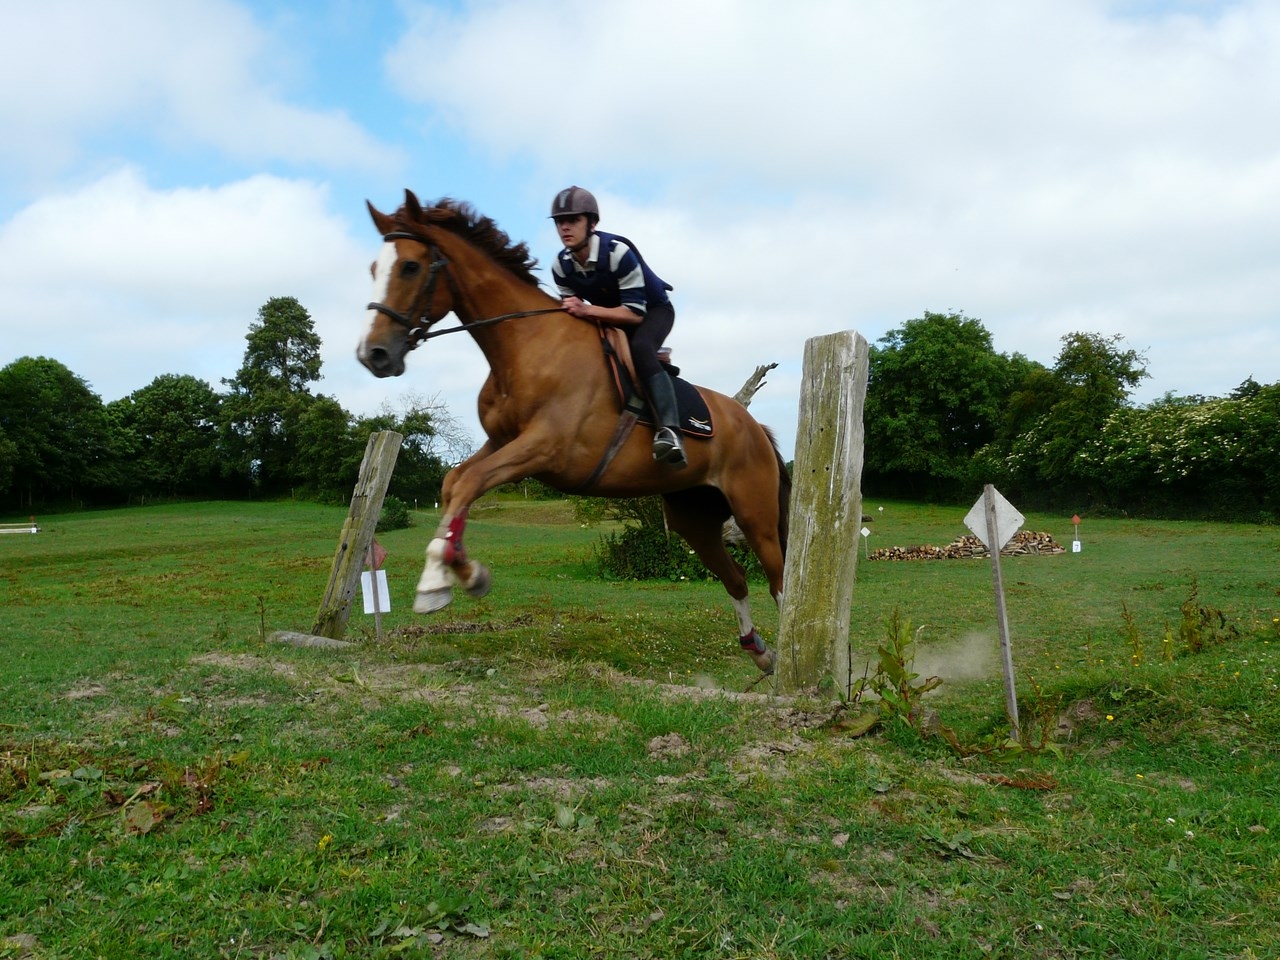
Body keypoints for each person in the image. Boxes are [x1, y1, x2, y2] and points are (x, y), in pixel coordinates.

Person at [549, 185, 686, 467]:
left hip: (651, 312)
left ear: (592, 223)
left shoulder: (617, 253)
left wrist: (586, 309)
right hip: (610, 314)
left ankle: (671, 432)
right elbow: (573, 316)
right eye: (560, 221)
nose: (565, 227)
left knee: (640, 348)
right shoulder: (560, 266)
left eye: (573, 220)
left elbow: (635, 315)